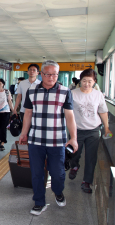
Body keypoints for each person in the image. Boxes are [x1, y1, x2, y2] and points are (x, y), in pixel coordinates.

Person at [19, 60, 78, 216]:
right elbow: (28, 114)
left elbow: (70, 116)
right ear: (41, 74)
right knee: (36, 173)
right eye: (48, 74)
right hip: (35, 140)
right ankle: (39, 202)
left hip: (57, 141)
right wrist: (24, 132)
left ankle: (58, 192)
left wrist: (74, 138)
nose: (51, 77)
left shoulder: (65, 91)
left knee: (58, 173)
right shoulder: (31, 91)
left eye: (55, 74)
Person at [69, 69, 112, 193]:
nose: (86, 84)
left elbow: (103, 111)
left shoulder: (98, 95)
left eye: (90, 81)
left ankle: (86, 182)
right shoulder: (72, 94)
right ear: (80, 81)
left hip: (93, 130)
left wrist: (106, 128)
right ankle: (75, 165)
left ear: (94, 82)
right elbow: (67, 111)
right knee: (74, 153)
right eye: (84, 81)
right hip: (76, 130)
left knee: (91, 157)